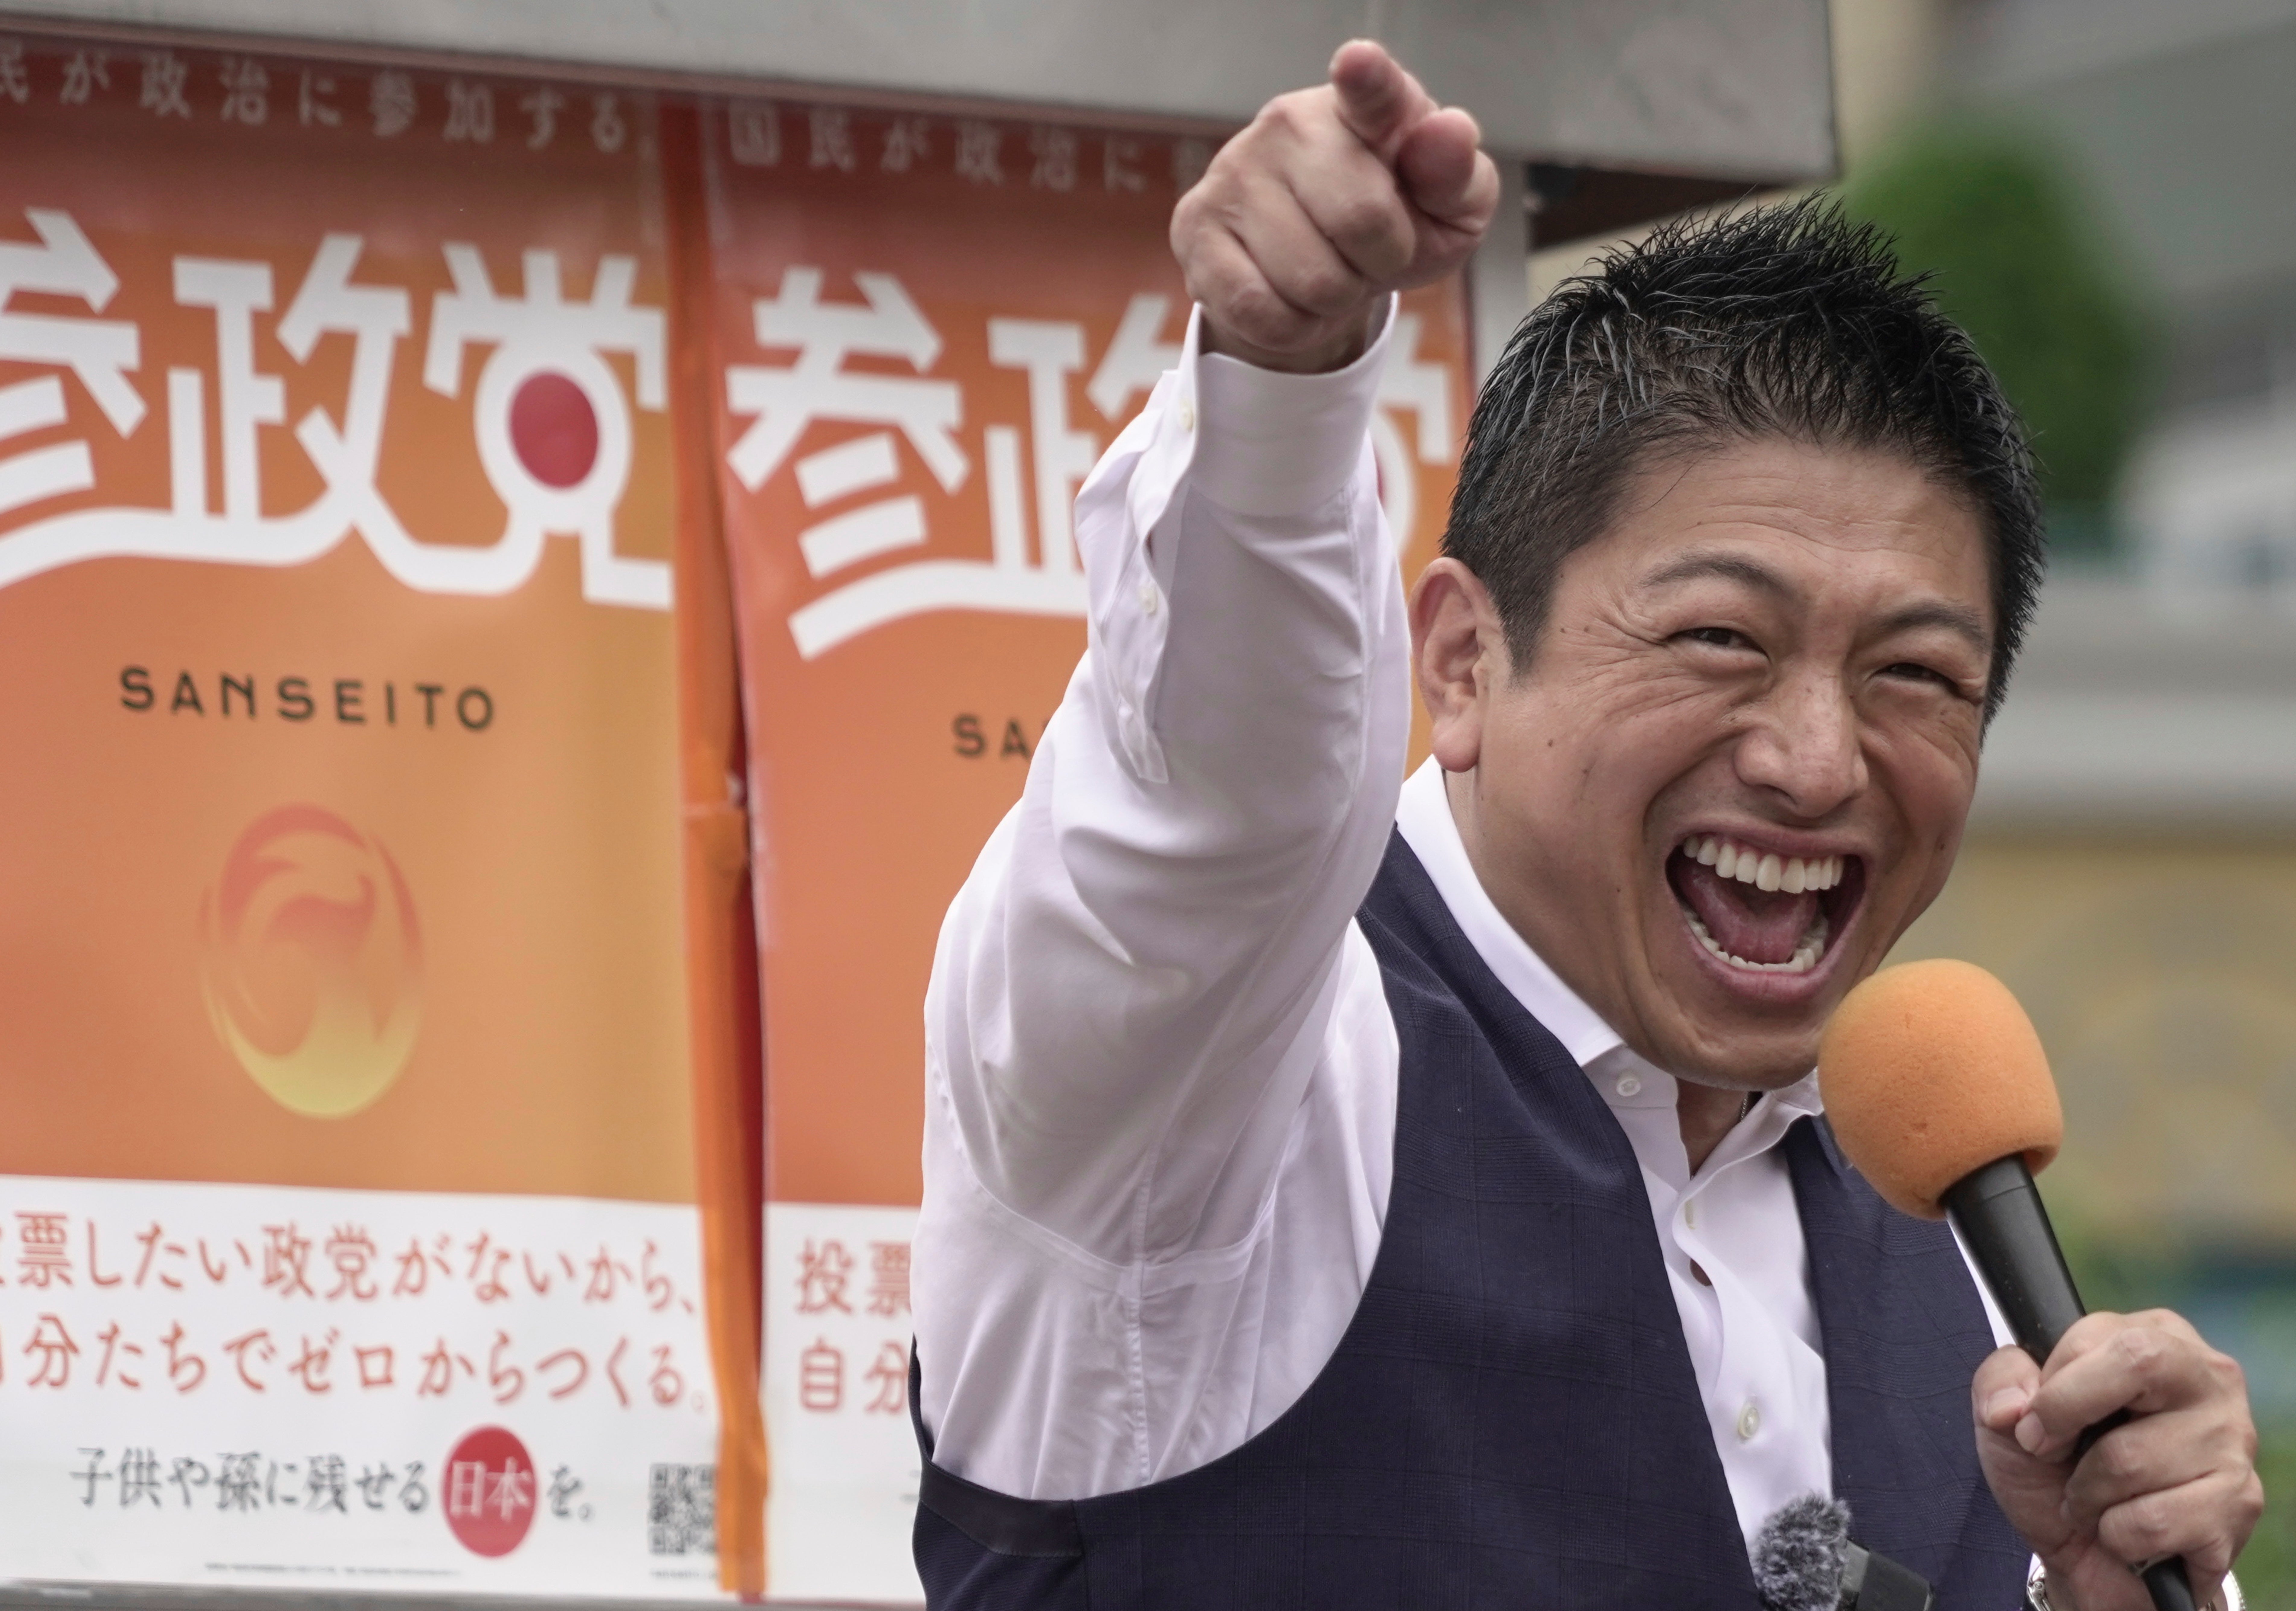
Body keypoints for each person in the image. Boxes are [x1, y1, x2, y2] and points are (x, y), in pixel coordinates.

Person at [910, 38, 2262, 1611]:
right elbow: (1211, 805)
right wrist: (1279, 388)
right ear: (1466, 662)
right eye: (1721, 640)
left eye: (1917, 674)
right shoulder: (1211, 1082)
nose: (1821, 760)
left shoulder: (1955, 1237)